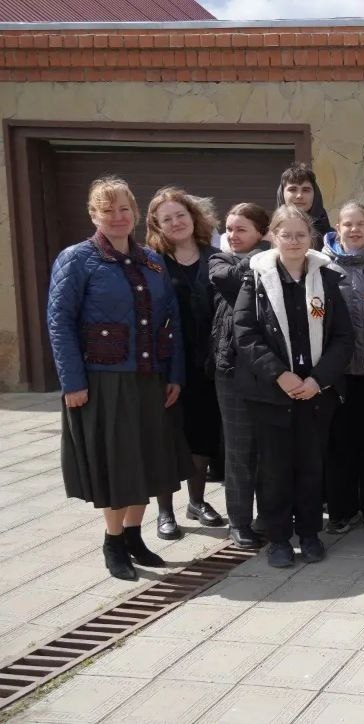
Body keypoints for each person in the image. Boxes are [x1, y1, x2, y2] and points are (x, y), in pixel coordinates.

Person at [49, 176, 188, 580]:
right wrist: (73, 382)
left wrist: (174, 373)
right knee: (117, 465)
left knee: (147, 461)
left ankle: (133, 537)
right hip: (103, 381)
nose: (117, 217)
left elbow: (171, 322)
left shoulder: (152, 261)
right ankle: (113, 542)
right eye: (107, 210)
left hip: (150, 378)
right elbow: (59, 322)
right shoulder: (77, 259)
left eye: (124, 208)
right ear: (93, 215)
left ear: (135, 212)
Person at [233, 205, 353, 568]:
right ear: (273, 236)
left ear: (311, 238)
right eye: (286, 234)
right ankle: (279, 539)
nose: (294, 241)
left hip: (315, 394)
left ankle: (310, 533)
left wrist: (318, 380)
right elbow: (245, 333)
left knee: (311, 467)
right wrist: (279, 375)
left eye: (301, 235)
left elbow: (343, 337)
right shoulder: (255, 279)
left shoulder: (326, 278)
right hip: (271, 394)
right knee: (274, 470)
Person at [145, 187, 225, 541]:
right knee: (166, 437)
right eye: (167, 219)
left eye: (181, 215)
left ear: (193, 216)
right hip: (167, 365)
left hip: (208, 364)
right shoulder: (151, 263)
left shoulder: (216, 257)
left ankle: (197, 501)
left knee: (202, 436)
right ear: (156, 225)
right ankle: (165, 511)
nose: (176, 222)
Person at [321, 201, 364, 534]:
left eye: (360, 223)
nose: (354, 229)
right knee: (339, 443)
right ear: (337, 228)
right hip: (338, 372)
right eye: (347, 224)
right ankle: (341, 510)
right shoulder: (322, 266)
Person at [209, 202, 273, 548]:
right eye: (229, 229)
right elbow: (227, 279)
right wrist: (267, 255)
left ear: (260, 232)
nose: (232, 235)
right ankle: (238, 521)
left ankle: (268, 516)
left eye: (241, 229)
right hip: (232, 369)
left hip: (270, 370)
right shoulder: (220, 261)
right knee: (238, 450)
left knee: (268, 449)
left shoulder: (276, 261)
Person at [277, 162, 333, 247]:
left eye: (306, 190)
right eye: (292, 189)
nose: (299, 196)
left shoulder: (333, 241)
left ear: (315, 195)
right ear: (282, 194)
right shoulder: (269, 238)